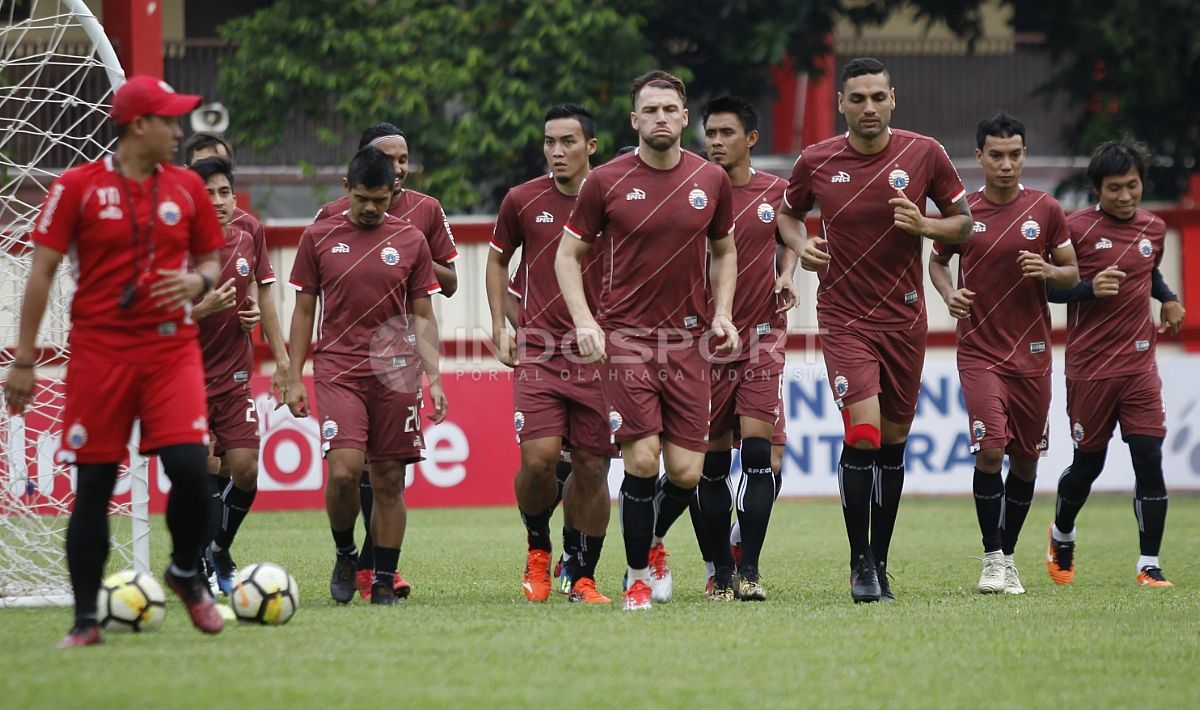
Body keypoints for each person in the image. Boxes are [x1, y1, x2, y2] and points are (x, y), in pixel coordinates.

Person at [4, 75, 226, 646]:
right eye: (169, 122)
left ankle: (183, 571)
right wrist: (25, 360)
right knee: (96, 486)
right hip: (100, 353)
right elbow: (42, 273)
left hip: (170, 351)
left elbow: (210, 262)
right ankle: (84, 621)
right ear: (137, 126)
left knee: (192, 471)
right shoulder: (75, 187)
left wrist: (196, 281)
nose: (179, 132)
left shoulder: (187, 188)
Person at [778, 57, 972, 603]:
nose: (868, 107)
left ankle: (880, 561)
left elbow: (966, 225)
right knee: (862, 434)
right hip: (844, 318)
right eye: (857, 98)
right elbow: (786, 215)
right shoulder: (816, 160)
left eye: (877, 97)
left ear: (893, 100)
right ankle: (859, 561)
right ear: (840, 103)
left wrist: (926, 225)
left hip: (905, 320)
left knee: (892, 444)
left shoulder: (924, 153)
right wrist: (801, 245)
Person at [556, 71, 739, 611]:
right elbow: (567, 257)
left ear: (685, 118)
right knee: (641, 460)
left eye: (670, 109)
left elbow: (725, 251)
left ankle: (654, 541)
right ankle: (636, 576)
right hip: (627, 340)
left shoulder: (712, 181)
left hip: (688, 343)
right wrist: (586, 322)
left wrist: (722, 312)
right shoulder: (605, 182)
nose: (661, 117)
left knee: (686, 472)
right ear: (634, 120)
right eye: (650, 109)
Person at [285, 146, 447, 605]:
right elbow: (302, 312)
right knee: (345, 472)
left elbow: (423, 313)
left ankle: (382, 578)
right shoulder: (317, 237)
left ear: (394, 192)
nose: (372, 208)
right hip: (338, 369)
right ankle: (345, 552)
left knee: (389, 477)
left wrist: (434, 378)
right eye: (363, 199)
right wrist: (293, 374)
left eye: (380, 199)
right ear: (346, 190)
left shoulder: (412, 240)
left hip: (396, 373)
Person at [928, 113, 1079, 595]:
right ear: (979, 157)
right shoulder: (964, 215)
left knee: (1027, 463)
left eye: (1014, 154)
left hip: (1033, 356)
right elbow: (936, 263)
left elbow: (1072, 273)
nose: (1006, 163)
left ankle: (1008, 554)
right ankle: (993, 557)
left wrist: (1049, 273)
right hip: (979, 353)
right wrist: (949, 294)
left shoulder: (1047, 209)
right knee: (990, 451)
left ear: (1025, 155)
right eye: (996, 154)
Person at [1045, 139, 1186, 588]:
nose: (1126, 196)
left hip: (1139, 365)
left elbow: (1148, 271)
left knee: (1148, 456)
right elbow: (1047, 287)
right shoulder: (1075, 229)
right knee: (1089, 464)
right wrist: (1087, 288)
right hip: (1089, 368)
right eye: (1114, 188)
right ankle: (1061, 531)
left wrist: (1167, 299)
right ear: (1095, 189)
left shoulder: (1154, 228)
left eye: (1133, 185)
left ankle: (1149, 564)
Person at [486, 104, 613, 604]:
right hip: (539, 350)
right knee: (539, 461)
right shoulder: (521, 200)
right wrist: (499, 324)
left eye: (568, 142)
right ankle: (539, 547)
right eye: (549, 142)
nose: (557, 152)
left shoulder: (616, 197)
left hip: (603, 355)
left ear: (591, 147)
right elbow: (497, 263)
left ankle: (582, 572)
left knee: (591, 467)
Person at [687, 96, 801, 601]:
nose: (716, 141)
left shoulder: (775, 193)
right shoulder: (688, 195)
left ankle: (749, 568)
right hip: (700, 346)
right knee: (708, 467)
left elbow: (793, 235)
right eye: (710, 132)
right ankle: (720, 570)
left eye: (726, 133)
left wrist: (787, 272)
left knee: (760, 457)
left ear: (750, 139)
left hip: (761, 338)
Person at [183, 136, 289, 583]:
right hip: (185, 378)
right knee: (207, 467)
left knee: (243, 468)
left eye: (224, 189)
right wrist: (198, 311)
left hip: (234, 375)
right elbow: (153, 312)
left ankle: (216, 548)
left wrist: (281, 359)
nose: (218, 199)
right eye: (207, 189)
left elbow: (263, 293)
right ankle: (201, 565)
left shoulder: (249, 231)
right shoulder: (173, 240)